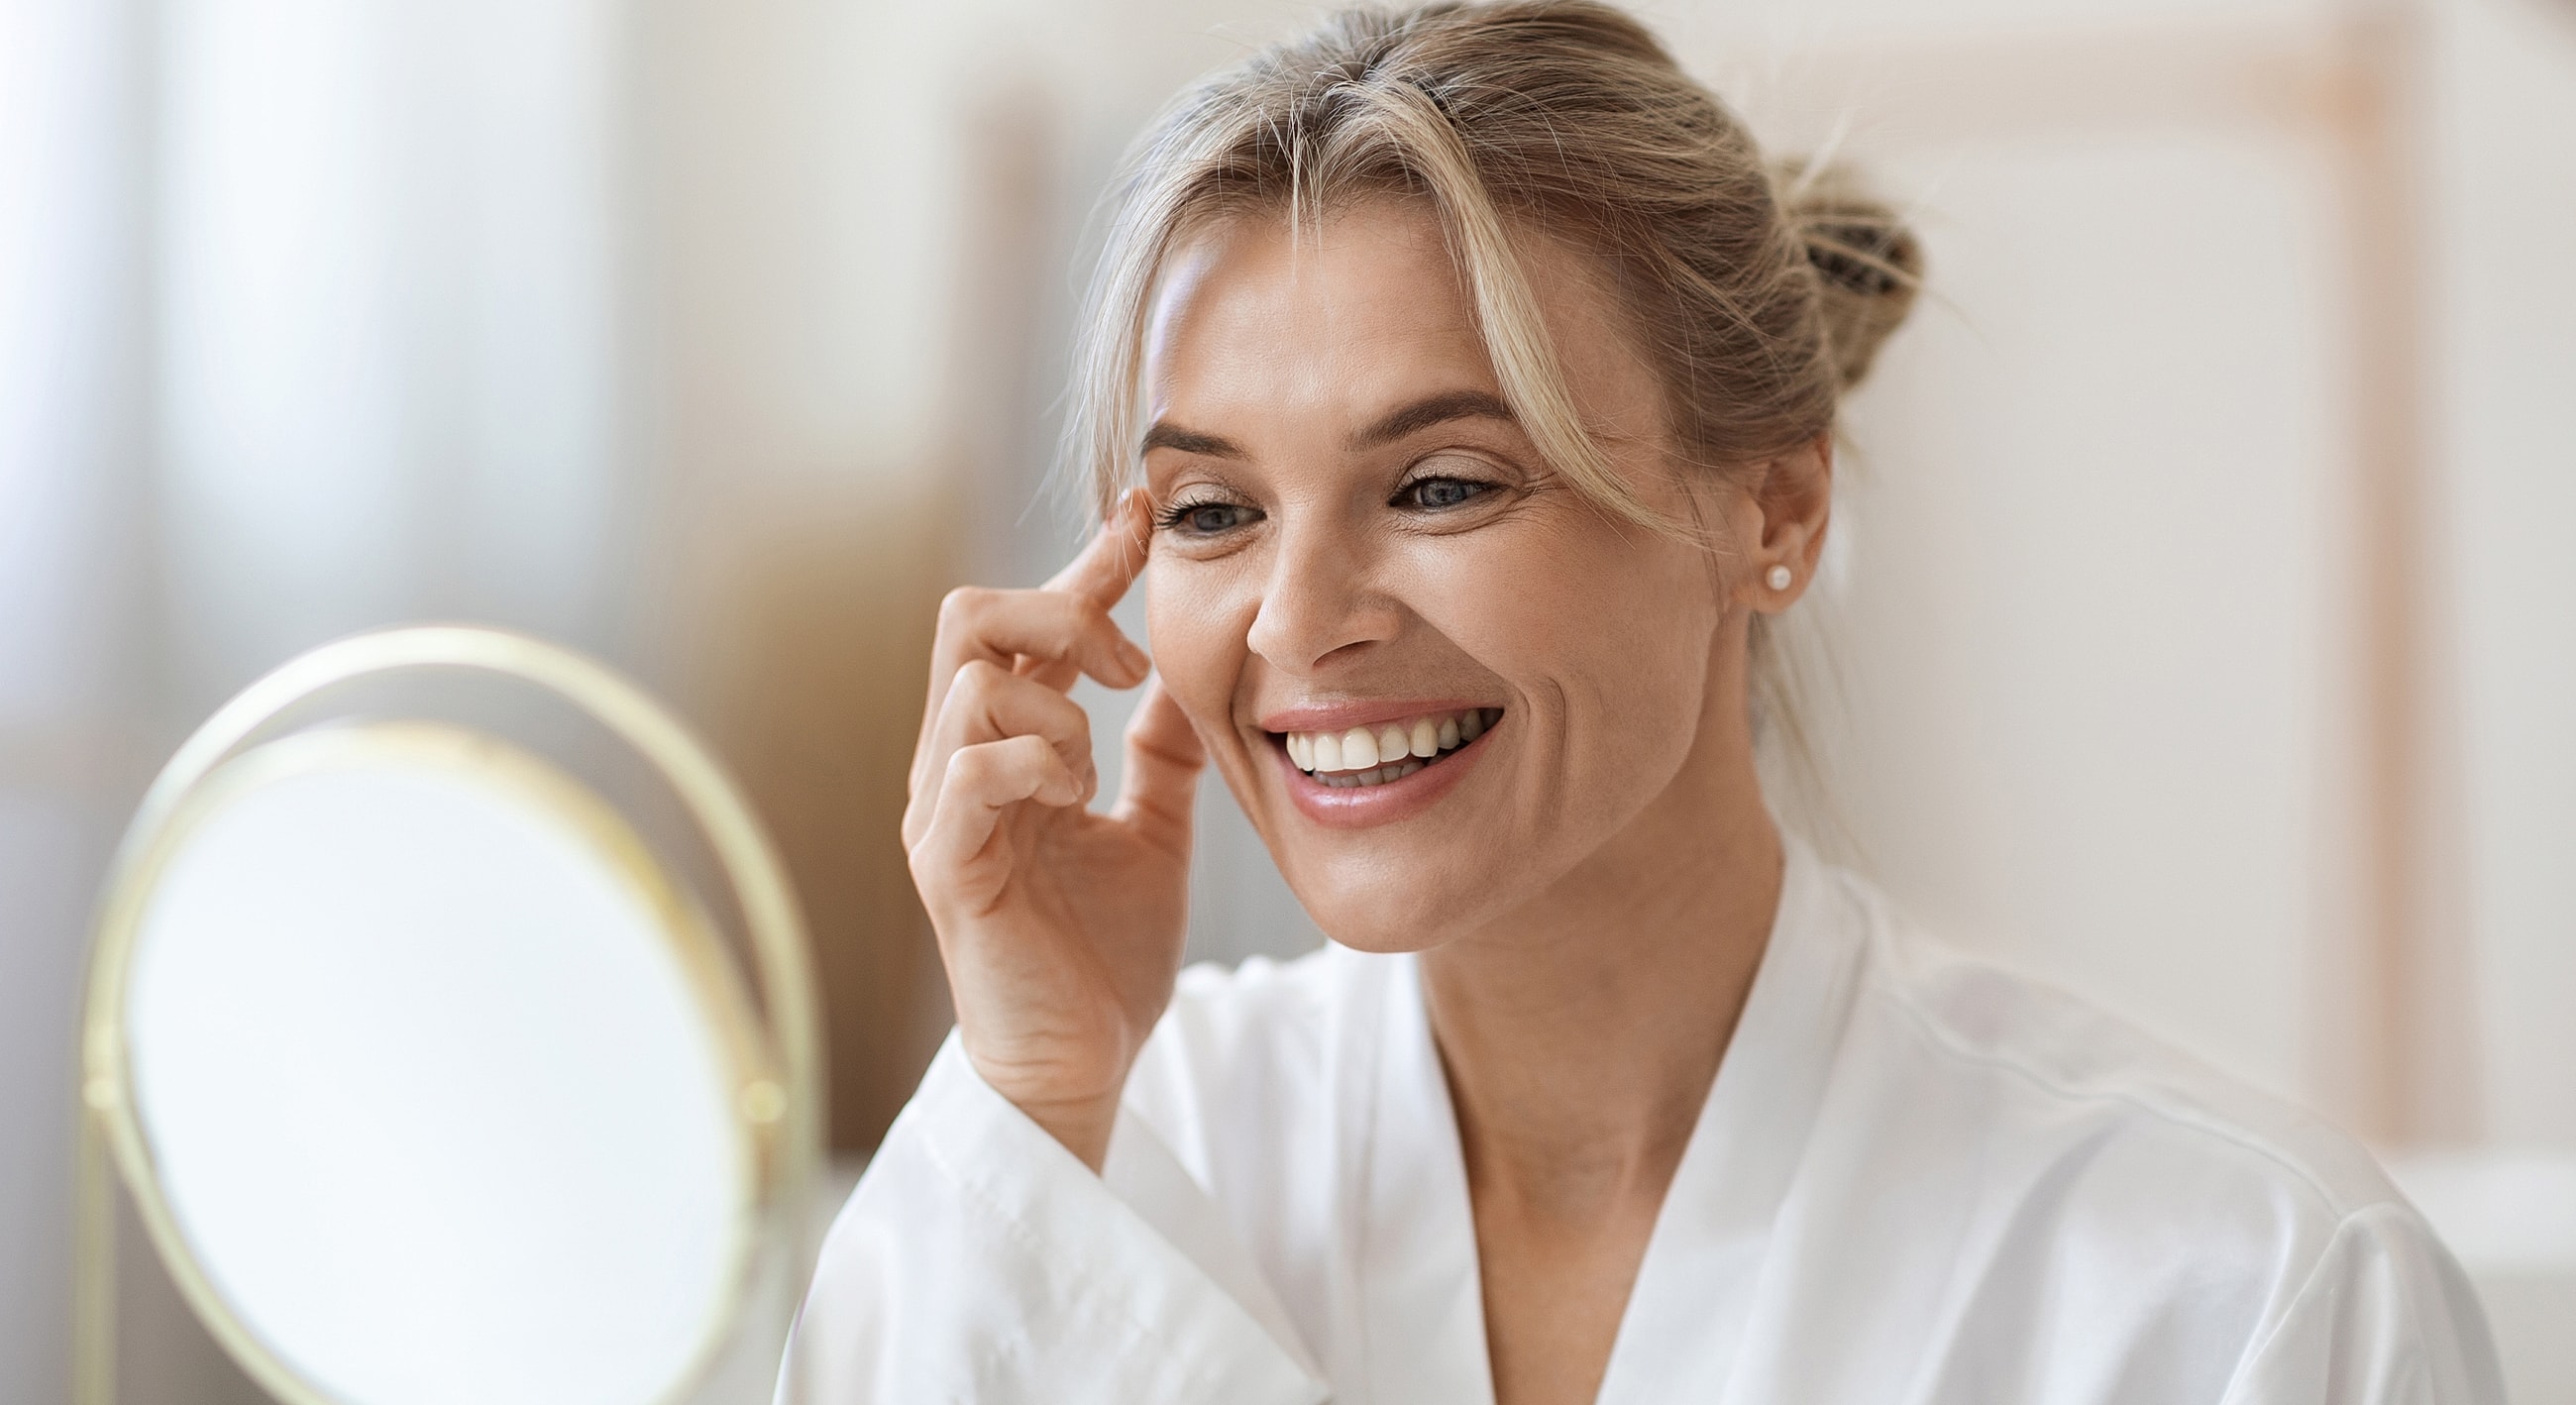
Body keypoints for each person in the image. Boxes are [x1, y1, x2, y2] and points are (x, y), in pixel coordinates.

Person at [778, 3, 2503, 1401]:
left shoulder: (2240, 1293)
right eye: (1215, 511)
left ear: (1775, 511)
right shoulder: (1102, 1154)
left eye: (1444, 483)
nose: (1297, 623)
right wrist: (1034, 1080)